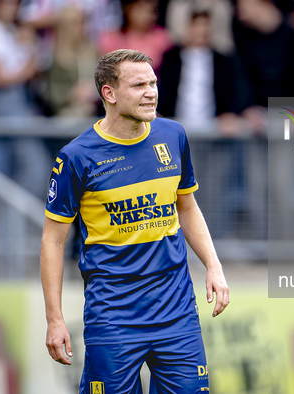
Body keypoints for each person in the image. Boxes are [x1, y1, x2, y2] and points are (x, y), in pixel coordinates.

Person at [40, 49, 230, 393]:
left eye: (153, 83)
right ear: (109, 93)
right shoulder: (76, 157)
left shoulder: (173, 136)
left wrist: (213, 265)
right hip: (113, 315)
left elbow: (186, 206)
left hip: (176, 311)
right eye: (139, 84)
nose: (151, 92)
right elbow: (53, 241)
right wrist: (54, 319)